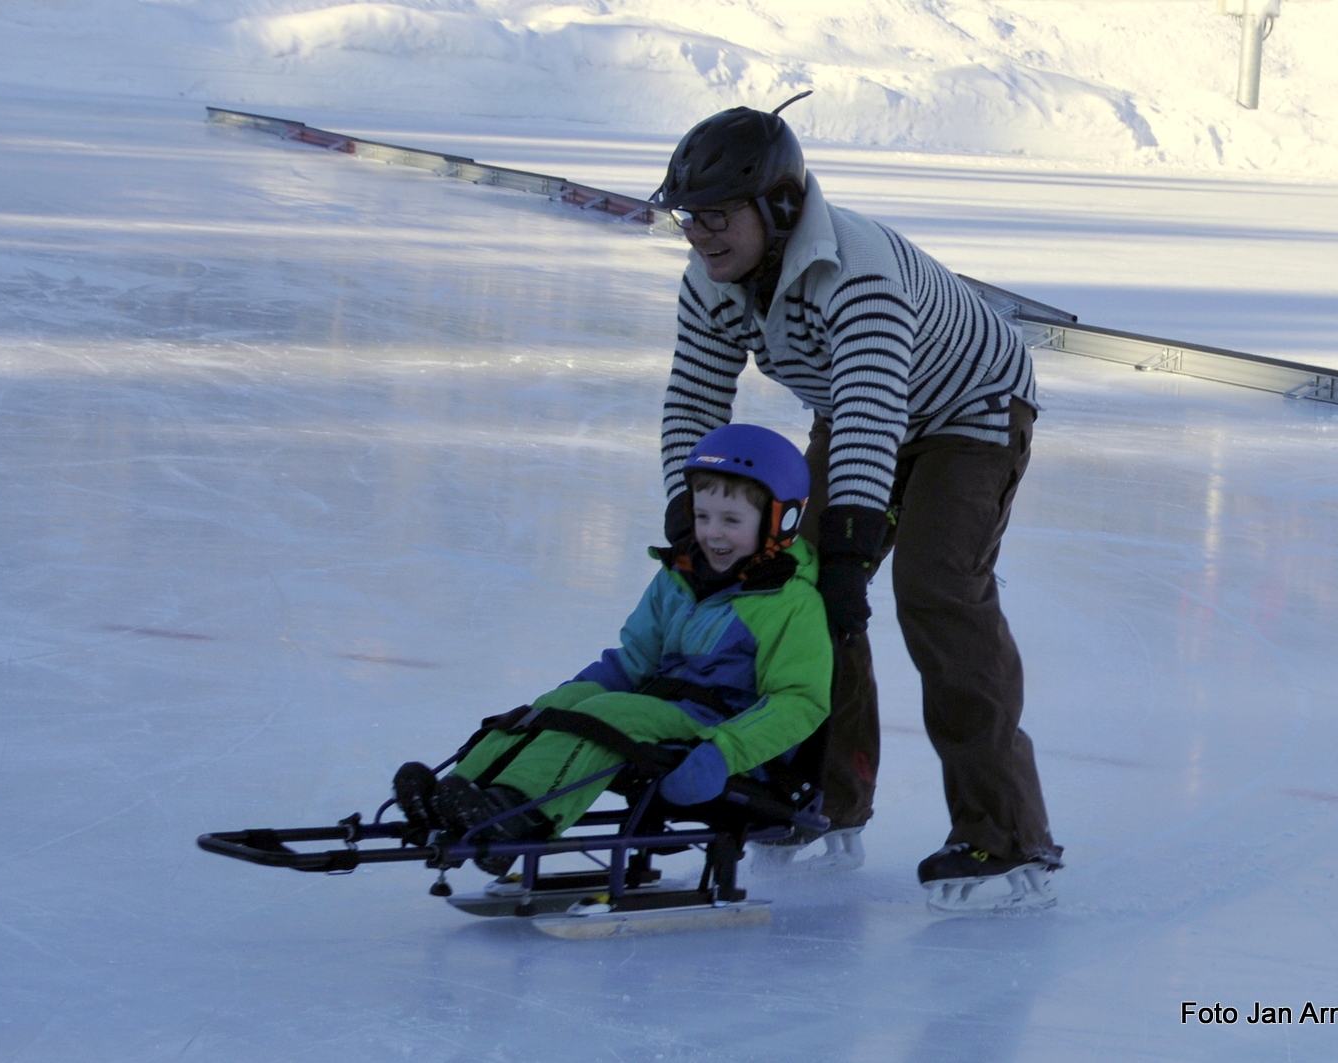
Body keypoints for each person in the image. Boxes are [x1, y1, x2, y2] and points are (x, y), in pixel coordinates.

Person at [651, 100, 1063, 910]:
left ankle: (1007, 832)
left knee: (938, 592)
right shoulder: (712, 277)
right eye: (689, 217)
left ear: (777, 207)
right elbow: (696, 393)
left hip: (972, 409)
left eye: (718, 216)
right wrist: (684, 506)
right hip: (860, 407)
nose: (700, 234)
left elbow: (874, 406)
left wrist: (850, 547)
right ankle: (826, 797)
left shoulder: (854, 266)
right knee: (795, 586)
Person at [392, 423, 832, 875]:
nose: (712, 534)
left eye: (731, 521)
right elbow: (635, 660)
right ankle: (459, 792)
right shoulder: (680, 576)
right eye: (702, 516)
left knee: (613, 714)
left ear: (782, 521)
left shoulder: (790, 603)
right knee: (563, 704)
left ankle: (520, 816)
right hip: (666, 710)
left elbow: (799, 701)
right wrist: (562, 700)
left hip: (722, 736)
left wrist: (723, 753)